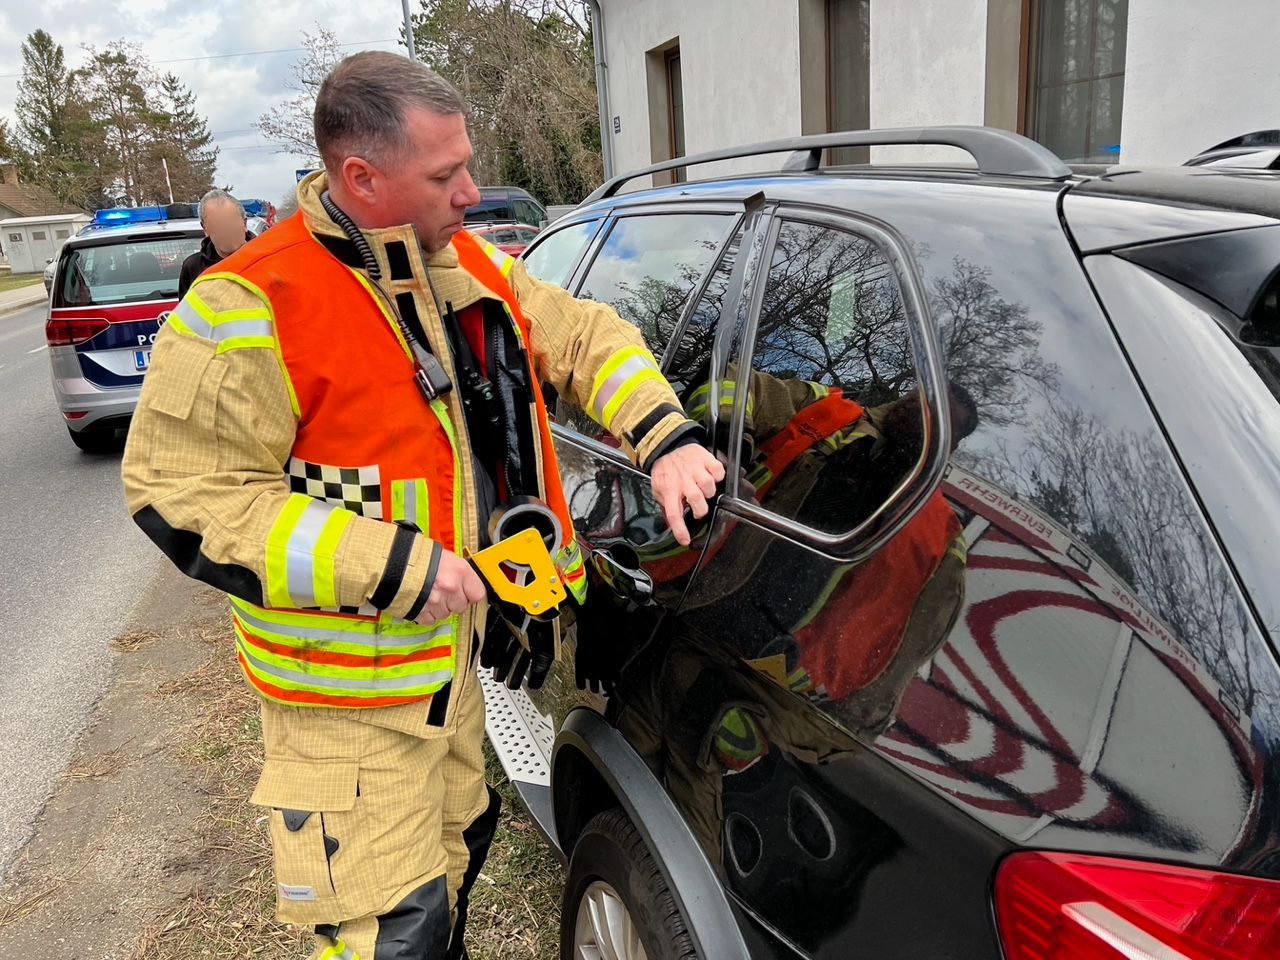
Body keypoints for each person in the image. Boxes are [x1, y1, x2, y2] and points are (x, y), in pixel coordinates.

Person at [121, 51, 724, 960]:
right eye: (446, 175)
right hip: (347, 709)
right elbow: (185, 492)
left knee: (448, 882)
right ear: (361, 178)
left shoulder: (456, 262)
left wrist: (667, 436)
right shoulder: (253, 302)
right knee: (387, 936)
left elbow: (583, 335)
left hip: (445, 677)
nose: (473, 193)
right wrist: (396, 566)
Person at [177, 188, 254, 298]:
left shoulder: (266, 259)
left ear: (244, 223)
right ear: (205, 228)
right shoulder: (193, 267)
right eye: (216, 224)